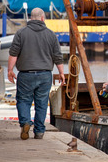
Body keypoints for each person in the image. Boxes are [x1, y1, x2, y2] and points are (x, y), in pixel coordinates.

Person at [8, 8, 65, 140]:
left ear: (31, 18)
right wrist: (61, 72)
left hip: (25, 74)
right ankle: (39, 131)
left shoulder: (21, 33)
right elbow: (58, 56)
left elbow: (13, 53)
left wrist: (10, 70)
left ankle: (25, 122)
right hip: (45, 75)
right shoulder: (51, 35)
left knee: (23, 100)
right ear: (42, 18)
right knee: (42, 103)